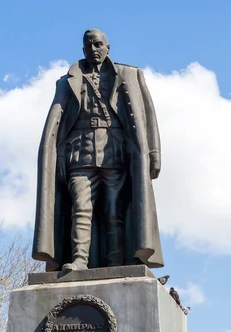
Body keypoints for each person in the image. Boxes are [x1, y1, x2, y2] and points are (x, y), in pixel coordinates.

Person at [33, 29, 164, 272]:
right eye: (89, 46)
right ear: (83, 50)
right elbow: (57, 121)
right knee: (80, 208)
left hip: (114, 152)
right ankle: (79, 260)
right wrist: (58, 155)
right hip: (79, 153)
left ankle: (114, 263)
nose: (94, 49)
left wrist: (153, 154)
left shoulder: (129, 75)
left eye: (98, 44)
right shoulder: (67, 80)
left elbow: (147, 117)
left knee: (113, 211)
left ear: (108, 47)